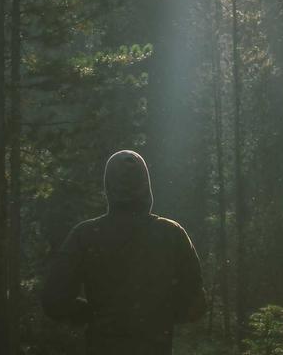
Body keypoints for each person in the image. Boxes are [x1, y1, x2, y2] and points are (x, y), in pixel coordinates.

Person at [42, 149, 206, 354]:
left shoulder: (86, 235)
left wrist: (91, 315)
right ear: (146, 186)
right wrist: (158, 317)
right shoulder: (171, 233)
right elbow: (196, 304)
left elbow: (53, 300)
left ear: (108, 187)